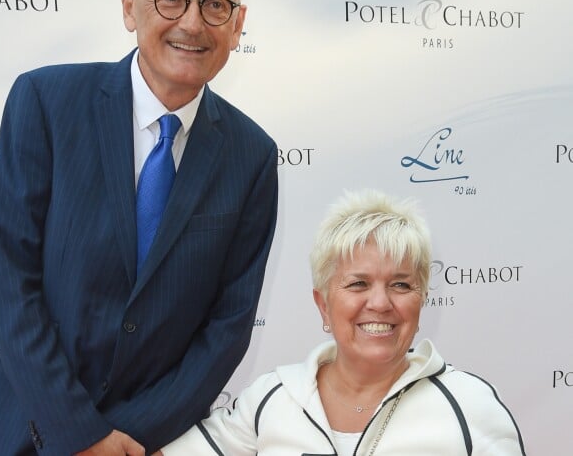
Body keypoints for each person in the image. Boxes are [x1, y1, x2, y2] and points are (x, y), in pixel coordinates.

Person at [0, 0, 278, 455]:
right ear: (130, 6)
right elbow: (7, 283)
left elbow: (226, 330)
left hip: (145, 445)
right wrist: (81, 434)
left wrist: (122, 439)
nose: (191, 23)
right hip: (19, 430)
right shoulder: (44, 103)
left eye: (215, 4)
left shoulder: (253, 157)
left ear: (237, 25)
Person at [160, 189, 526, 455]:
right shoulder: (271, 398)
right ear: (323, 304)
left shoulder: (470, 405)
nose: (380, 303)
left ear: (422, 298)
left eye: (401, 284)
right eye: (358, 284)